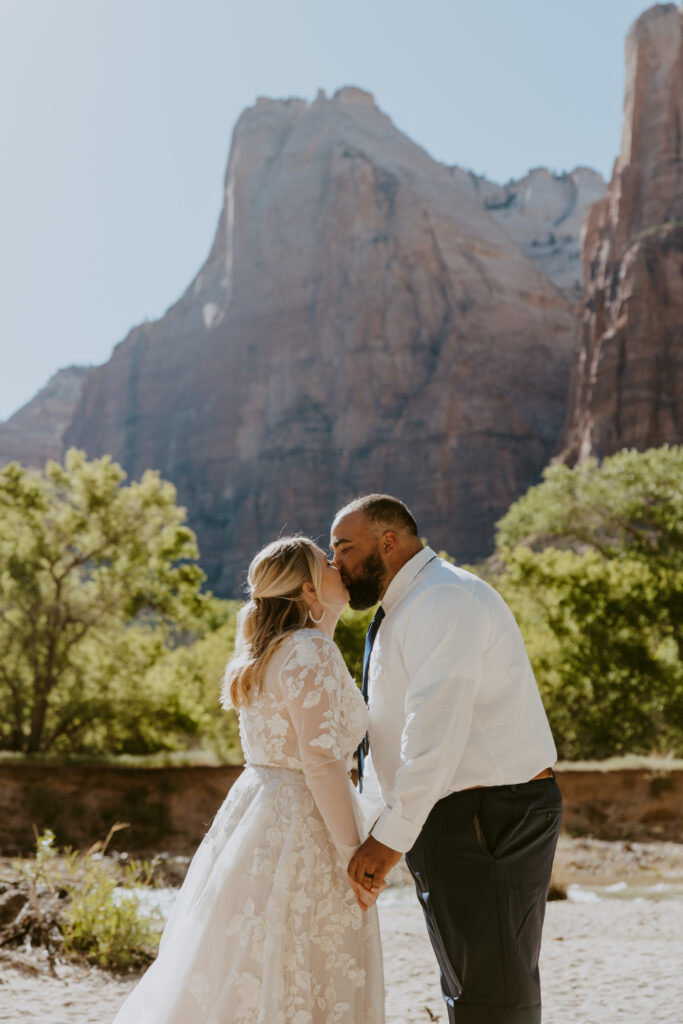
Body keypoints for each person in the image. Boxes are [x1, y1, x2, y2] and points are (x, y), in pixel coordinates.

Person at [111, 536, 384, 1024]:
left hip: (260, 814)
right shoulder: (309, 651)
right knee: (298, 959)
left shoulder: (277, 649)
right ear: (307, 588)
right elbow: (320, 762)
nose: (338, 564)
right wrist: (354, 857)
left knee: (251, 960)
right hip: (305, 824)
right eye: (327, 562)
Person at [330, 495, 562, 1024]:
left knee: (491, 990)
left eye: (344, 548)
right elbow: (389, 734)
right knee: (471, 983)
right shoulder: (408, 606)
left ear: (388, 542)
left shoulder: (443, 600)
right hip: (455, 814)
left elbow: (435, 730)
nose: (334, 562)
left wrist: (388, 838)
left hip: (488, 817)